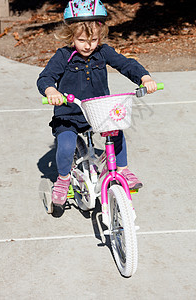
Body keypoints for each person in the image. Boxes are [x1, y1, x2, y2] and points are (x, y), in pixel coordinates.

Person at [37, 0, 157, 207]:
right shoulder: (63, 56)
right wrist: (52, 91)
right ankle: (63, 180)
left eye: (93, 39)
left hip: (99, 110)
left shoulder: (103, 52)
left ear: (100, 35)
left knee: (117, 131)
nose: (88, 45)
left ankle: (122, 170)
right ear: (70, 36)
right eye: (82, 40)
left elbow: (126, 64)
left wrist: (144, 78)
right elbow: (45, 78)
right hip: (69, 114)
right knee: (65, 147)